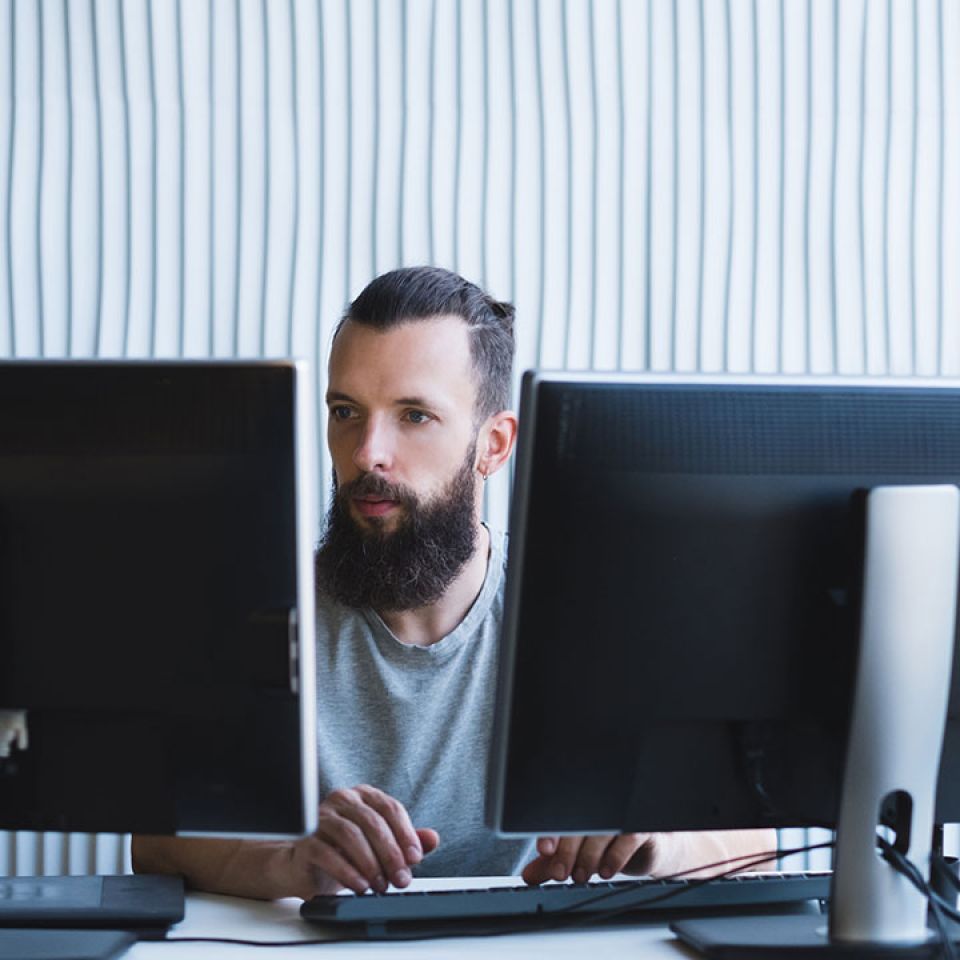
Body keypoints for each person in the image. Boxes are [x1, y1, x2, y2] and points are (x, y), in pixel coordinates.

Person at [132, 266, 775, 900]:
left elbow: (757, 843)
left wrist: (658, 846)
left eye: (413, 415)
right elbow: (157, 839)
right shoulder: (260, 614)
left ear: (493, 445)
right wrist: (289, 862)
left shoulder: (602, 612)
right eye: (346, 411)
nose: (366, 452)